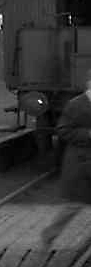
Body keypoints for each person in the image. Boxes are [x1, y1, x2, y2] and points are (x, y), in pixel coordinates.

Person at [41, 68, 91, 245]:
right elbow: (63, 130)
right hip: (81, 163)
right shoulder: (76, 105)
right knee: (74, 205)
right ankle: (50, 233)